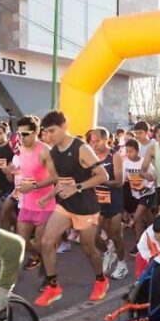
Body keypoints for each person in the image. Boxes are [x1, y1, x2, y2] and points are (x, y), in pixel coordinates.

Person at [32, 111, 110, 307]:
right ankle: (53, 287)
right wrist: (48, 197)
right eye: (46, 132)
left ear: (64, 125)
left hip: (85, 207)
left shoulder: (81, 148)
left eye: (52, 131)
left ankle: (101, 280)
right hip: (65, 206)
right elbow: (61, 180)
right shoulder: (53, 152)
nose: (49, 136)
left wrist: (77, 187)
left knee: (88, 248)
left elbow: (103, 176)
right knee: (46, 242)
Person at [11, 116, 55, 271]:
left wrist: (34, 186)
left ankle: (48, 276)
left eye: (25, 134)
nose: (21, 138)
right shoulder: (20, 148)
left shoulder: (45, 151)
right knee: (21, 239)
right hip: (27, 202)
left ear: (36, 132)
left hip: (45, 203)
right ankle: (39, 259)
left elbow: (55, 177)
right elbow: (25, 172)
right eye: (19, 134)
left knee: (42, 242)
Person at [88, 127, 129, 280]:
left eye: (97, 141)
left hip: (114, 201)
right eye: (92, 142)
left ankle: (122, 264)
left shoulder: (115, 155)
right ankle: (107, 253)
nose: (94, 145)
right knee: (92, 236)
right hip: (97, 203)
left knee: (116, 235)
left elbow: (120, 181)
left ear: (106, 140)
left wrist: (101, 180)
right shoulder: (90, 156)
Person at [122, 138, 156, 256]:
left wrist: (146, 186)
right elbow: (123, 180)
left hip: (147, 193)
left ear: (138, 151)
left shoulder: (144, 162)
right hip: (135, 194)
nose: (128, 154)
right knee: (146, 216)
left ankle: (139, 245)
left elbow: (153, 177)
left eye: (131, 151)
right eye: (127, 151)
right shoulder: (125, 163)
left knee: (136, 218)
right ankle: (157, 232)